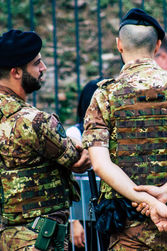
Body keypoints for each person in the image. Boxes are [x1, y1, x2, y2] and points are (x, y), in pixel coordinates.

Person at [82, 8, 167, 250]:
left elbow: (100, 164)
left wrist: (146, 199)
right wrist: (166, 192)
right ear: (158, 46)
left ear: (119, 45)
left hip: (128, 228)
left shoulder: (104, 95)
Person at [0, 29, 91, 250]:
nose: (43, 68)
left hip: (8, 237)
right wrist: (87, 147)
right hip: (41, 239)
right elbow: (78, 161)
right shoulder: (35, 121)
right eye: (37, 63)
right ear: (16, 72)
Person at [66, 78, 102, 250]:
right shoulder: (75, 133)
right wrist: (73, 220)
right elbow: (67, 180)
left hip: (108, 212)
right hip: (83, 217)